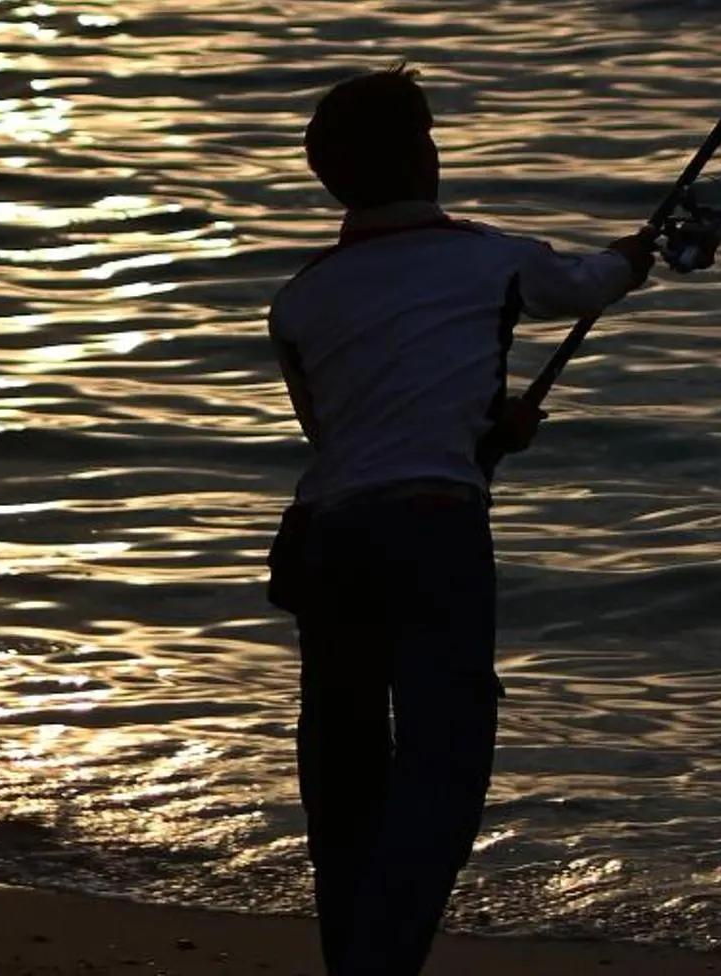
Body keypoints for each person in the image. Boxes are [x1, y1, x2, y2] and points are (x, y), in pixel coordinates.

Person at [266, 66, 653, 976]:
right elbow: (588, 284)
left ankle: (351, 960)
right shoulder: (490, 255)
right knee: (442, 767)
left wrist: (490, 432)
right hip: (434, 533)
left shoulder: (299, 300)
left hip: (328, 541)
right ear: (426, 157)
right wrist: (638, 254)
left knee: (344, 773)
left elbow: (344, 436)